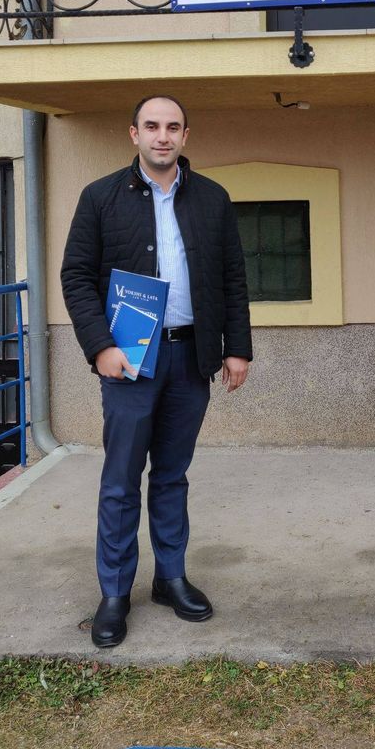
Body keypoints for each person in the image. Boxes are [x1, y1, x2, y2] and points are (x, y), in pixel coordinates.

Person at [61, 95, 252, 649]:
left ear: (185, 136)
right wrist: (100, 346)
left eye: (172, 127)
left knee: (172, 475)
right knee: (121, 479)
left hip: (191, 358)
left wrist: (237, 348)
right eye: (151, 126)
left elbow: (233, 278)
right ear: (134, 134)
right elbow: (76, 277)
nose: (162, 136)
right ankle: (115, 592)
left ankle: (170, 578)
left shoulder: (213, 198)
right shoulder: (99, 198)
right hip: (128, 360)